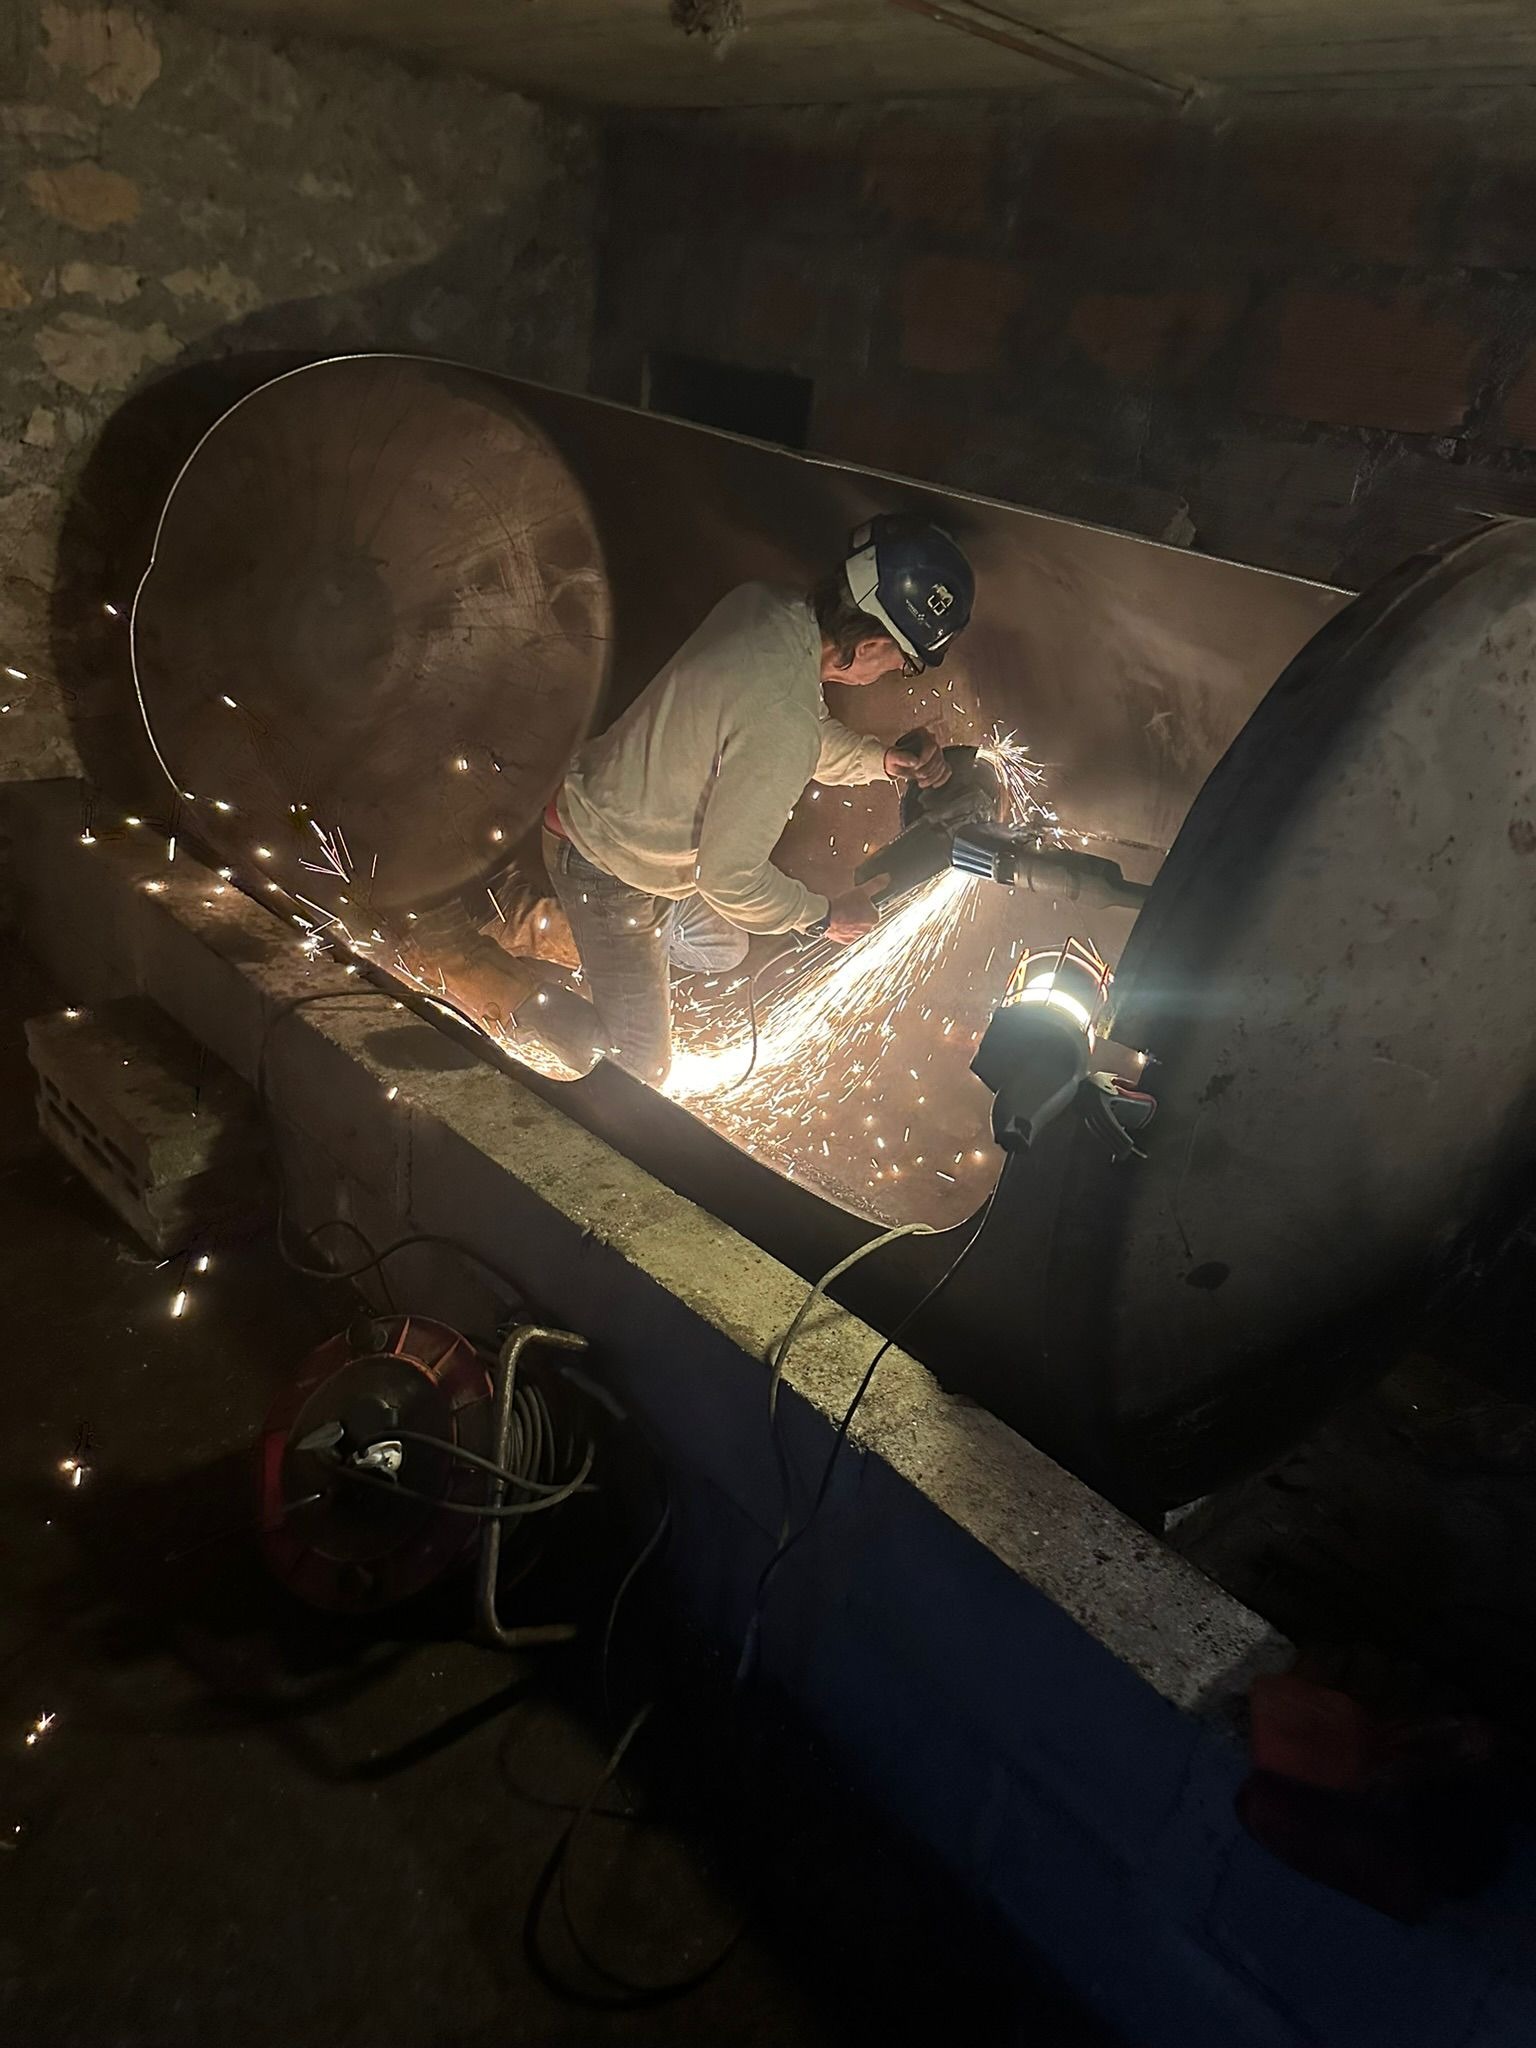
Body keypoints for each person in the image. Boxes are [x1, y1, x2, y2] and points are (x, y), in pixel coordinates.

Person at [533, 514, 976, 1086]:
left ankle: (602, 951)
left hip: (630, 829)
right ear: (870, 645)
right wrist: (824, 918)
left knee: (722, 945)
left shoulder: (766, 609)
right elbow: (730, 880)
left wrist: (883, 761)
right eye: (903, 661)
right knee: (642, 1069)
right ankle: (521, 991)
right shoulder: (783, 718)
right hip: (602, 862)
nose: (896, 674)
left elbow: (793, 732)